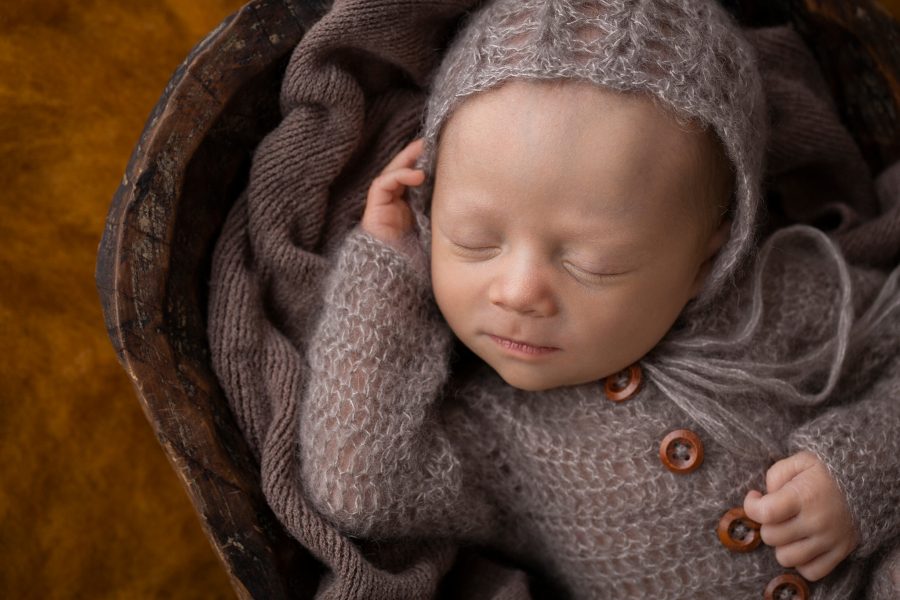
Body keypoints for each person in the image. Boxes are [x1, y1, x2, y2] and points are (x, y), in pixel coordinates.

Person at [296, 0, 900, 597]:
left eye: (593, 263)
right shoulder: (498, 437)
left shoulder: (779, 301)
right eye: (473, 242)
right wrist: (387, 272)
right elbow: (358, 486)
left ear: (709, 258)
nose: (519, 293)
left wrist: (863, 470)